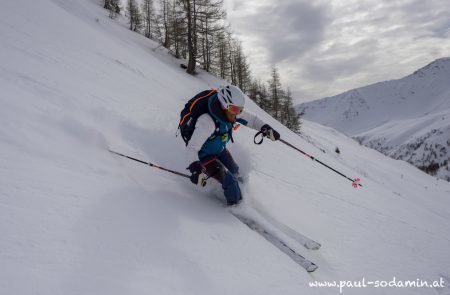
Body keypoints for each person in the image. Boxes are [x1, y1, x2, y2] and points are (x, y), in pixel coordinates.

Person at [186, 85, 280, 205]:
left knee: (237, 173)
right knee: (231, 183)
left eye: (240, 110)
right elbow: (192, 148)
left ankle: (243, 199)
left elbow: (252, 120)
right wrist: (195, 169)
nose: (237, 114)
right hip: (204, 156)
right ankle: (236, 209)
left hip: (219, 150)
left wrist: (265, 128)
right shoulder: (207, 122)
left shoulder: (230, 112)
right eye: (235, 110)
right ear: (224, 105)